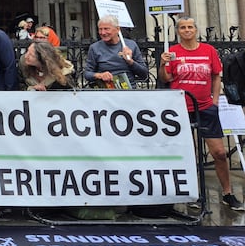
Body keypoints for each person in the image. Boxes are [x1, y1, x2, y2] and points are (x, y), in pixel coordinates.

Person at [159, 16, 244, 210]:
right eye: (182, 28)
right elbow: (166, 78)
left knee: (220, 153)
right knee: (187, 153)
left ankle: (228, 193)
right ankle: (193, 193)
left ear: (196, 30)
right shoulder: (172, 52)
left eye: (190, 27)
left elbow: (216, 75)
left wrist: (214, 100)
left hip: (206, 108)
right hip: (181, 108)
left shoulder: (208, 50)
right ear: (178, 31)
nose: (186, 30)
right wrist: (163, 64)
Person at [84, 15, 148, 88]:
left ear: (117, 29)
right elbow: (87, 74)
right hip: (106, 91)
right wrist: (100, 75)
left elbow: (144, 74)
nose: (103, 33)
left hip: (128, 91)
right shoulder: (94, 48)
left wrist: (130, 62)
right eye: (100, 29)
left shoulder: (130, 45)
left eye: (106, 29)